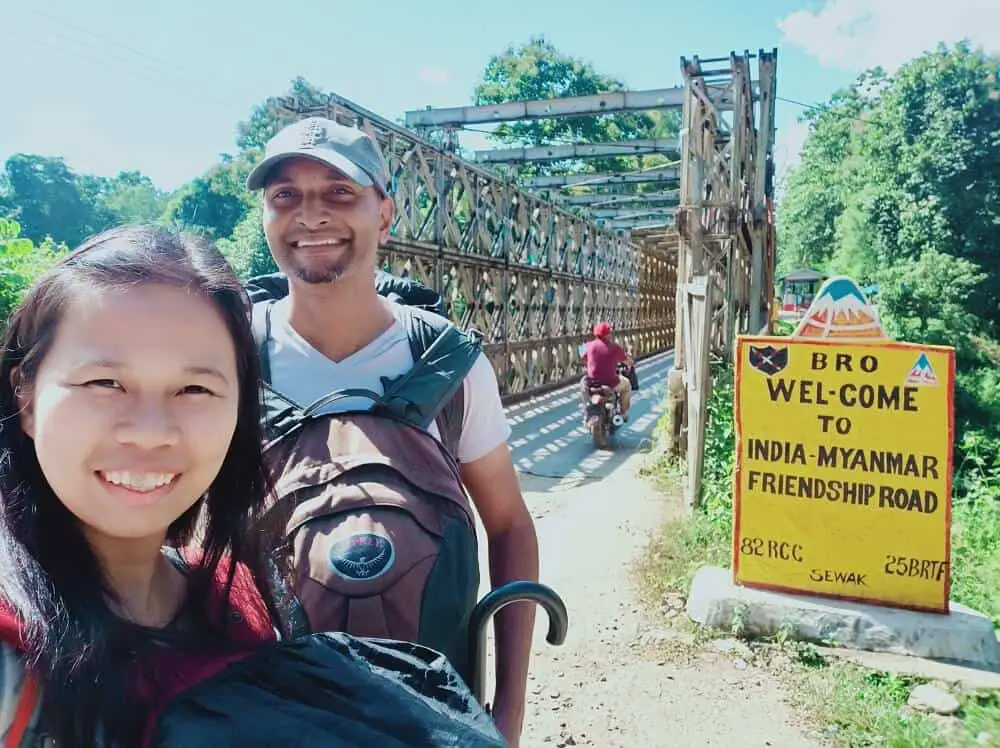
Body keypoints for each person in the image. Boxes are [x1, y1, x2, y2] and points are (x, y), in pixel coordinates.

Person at [244, 116, 539, 746]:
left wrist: (509, 710)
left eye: (340, 193)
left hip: (432, 716)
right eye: (285, 196)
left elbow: (509, 524)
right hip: (265, 712)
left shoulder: (449, 364)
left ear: (385, 215)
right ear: (266, 217)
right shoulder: (226, 357)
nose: (311, 215)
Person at [0, 226, 283, 746]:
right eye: (105, 383)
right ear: (27, 397)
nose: (151, 433)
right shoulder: (10, 652)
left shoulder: (243, 603)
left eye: (194, 388)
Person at [581, 321, 633, 420]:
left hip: (592, 382)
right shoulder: (615, 347)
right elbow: (627, 361)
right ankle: (623, 412)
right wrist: (631, 362)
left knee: (582, 384)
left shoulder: (587, 345)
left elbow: (581, 359)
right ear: (608, 334)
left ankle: (585, 409)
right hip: (611, 382)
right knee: (627, 385)